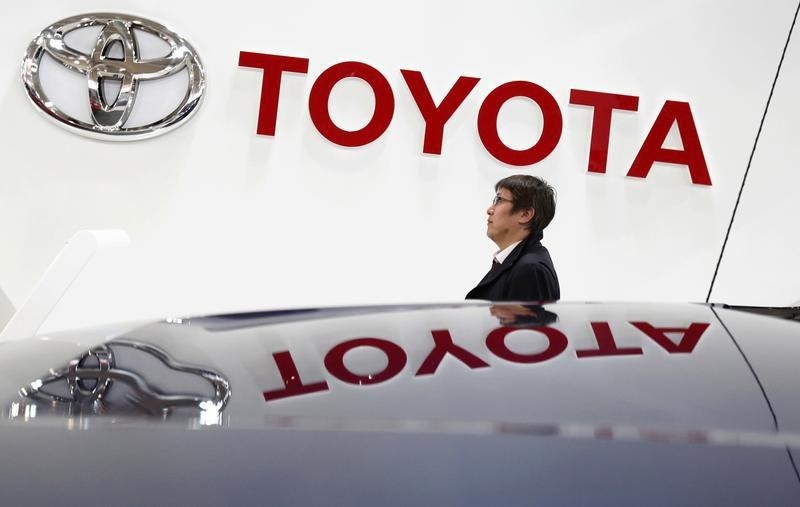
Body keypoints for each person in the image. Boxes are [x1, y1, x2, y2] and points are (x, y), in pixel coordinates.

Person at [466, 174, 560, 301]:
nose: (489, 210)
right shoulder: (520, 262)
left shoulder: (530, 270)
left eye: (499, 200)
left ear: (525, 214)